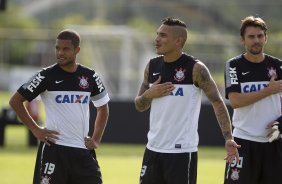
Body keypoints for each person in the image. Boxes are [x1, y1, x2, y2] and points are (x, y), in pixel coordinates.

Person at [134, 17, 240, 184]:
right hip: (152, 150)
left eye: (162, 35)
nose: (157, 39)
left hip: (182, 153)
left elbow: (217, 102)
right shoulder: (152, 66)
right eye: (157, 34)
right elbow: (139, 105)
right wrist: (149, 94)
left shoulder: (195, 68)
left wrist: (228, 138)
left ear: (178, 41)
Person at [9, 29, 110, 184]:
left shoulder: (90, 76)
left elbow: (103, 107)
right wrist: (36, 129)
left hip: (83, 151)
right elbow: (15, 101)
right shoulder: (45, 75)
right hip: (54, 150)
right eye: (57, 48)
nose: (60, 53)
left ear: (77, 50)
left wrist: (96, 139)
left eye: (65, 49)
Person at [224, 16, 282, 183]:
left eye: (260, 36)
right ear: (242, 40)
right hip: (243, 143)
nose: (256, 40)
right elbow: (235, 101)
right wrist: (268, 90)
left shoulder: (278, 66)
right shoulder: (233, 65)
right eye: (251, 37)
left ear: (265, 37)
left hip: (273, 143)